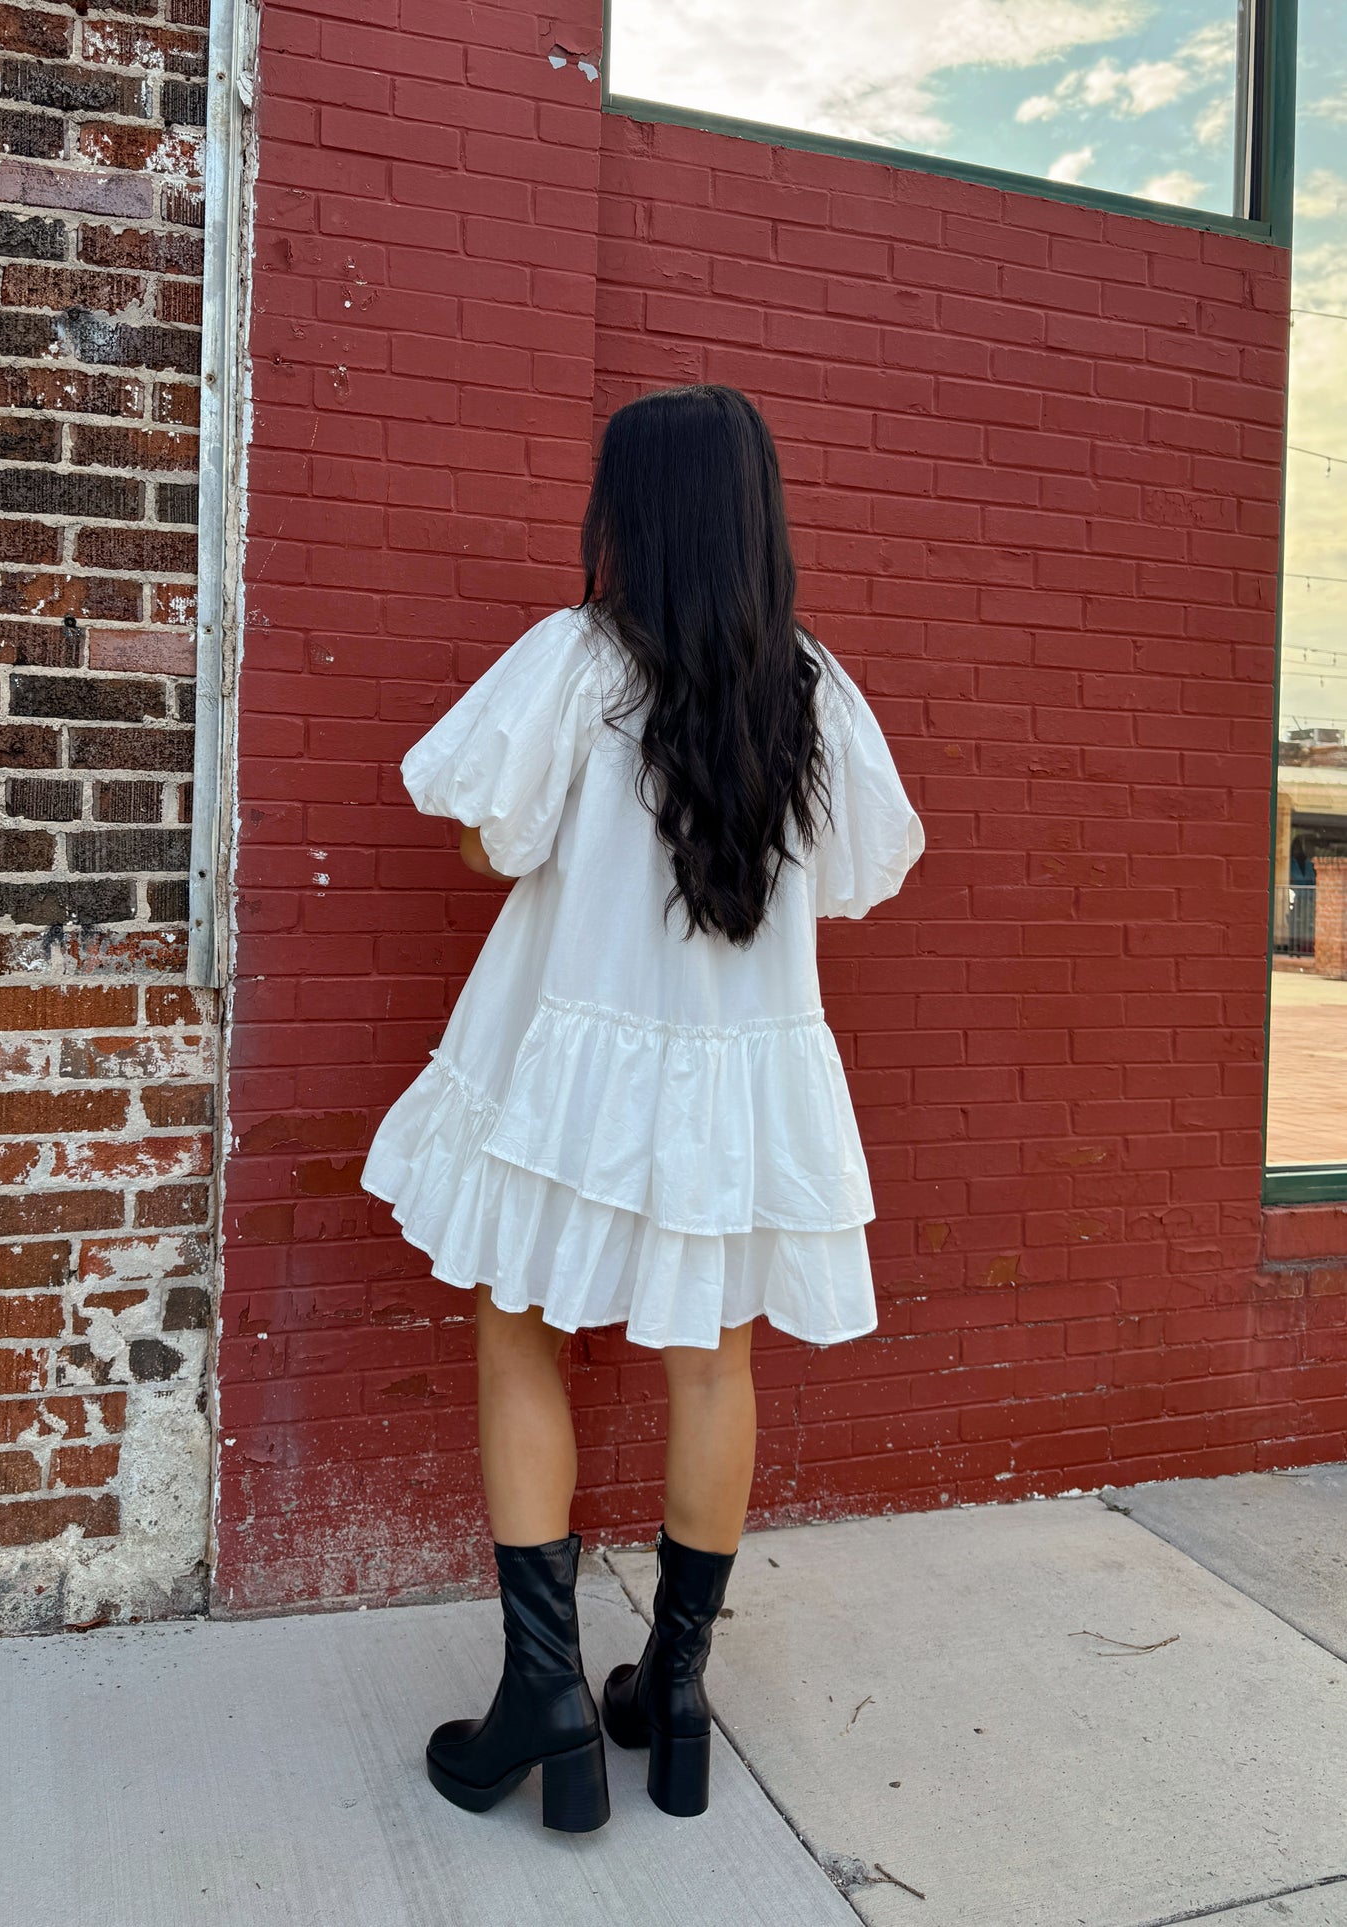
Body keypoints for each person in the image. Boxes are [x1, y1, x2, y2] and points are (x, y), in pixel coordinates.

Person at [361, 383, 926, 1833]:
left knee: (515, 1329)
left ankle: (541, 1694)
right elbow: (857, 879)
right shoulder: (811, 687)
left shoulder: (574, 661)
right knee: (713, 1360)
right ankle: (670, 1701)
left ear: (633, 512)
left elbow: (496, 839)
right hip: (736, 1076)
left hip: (568, 1062)